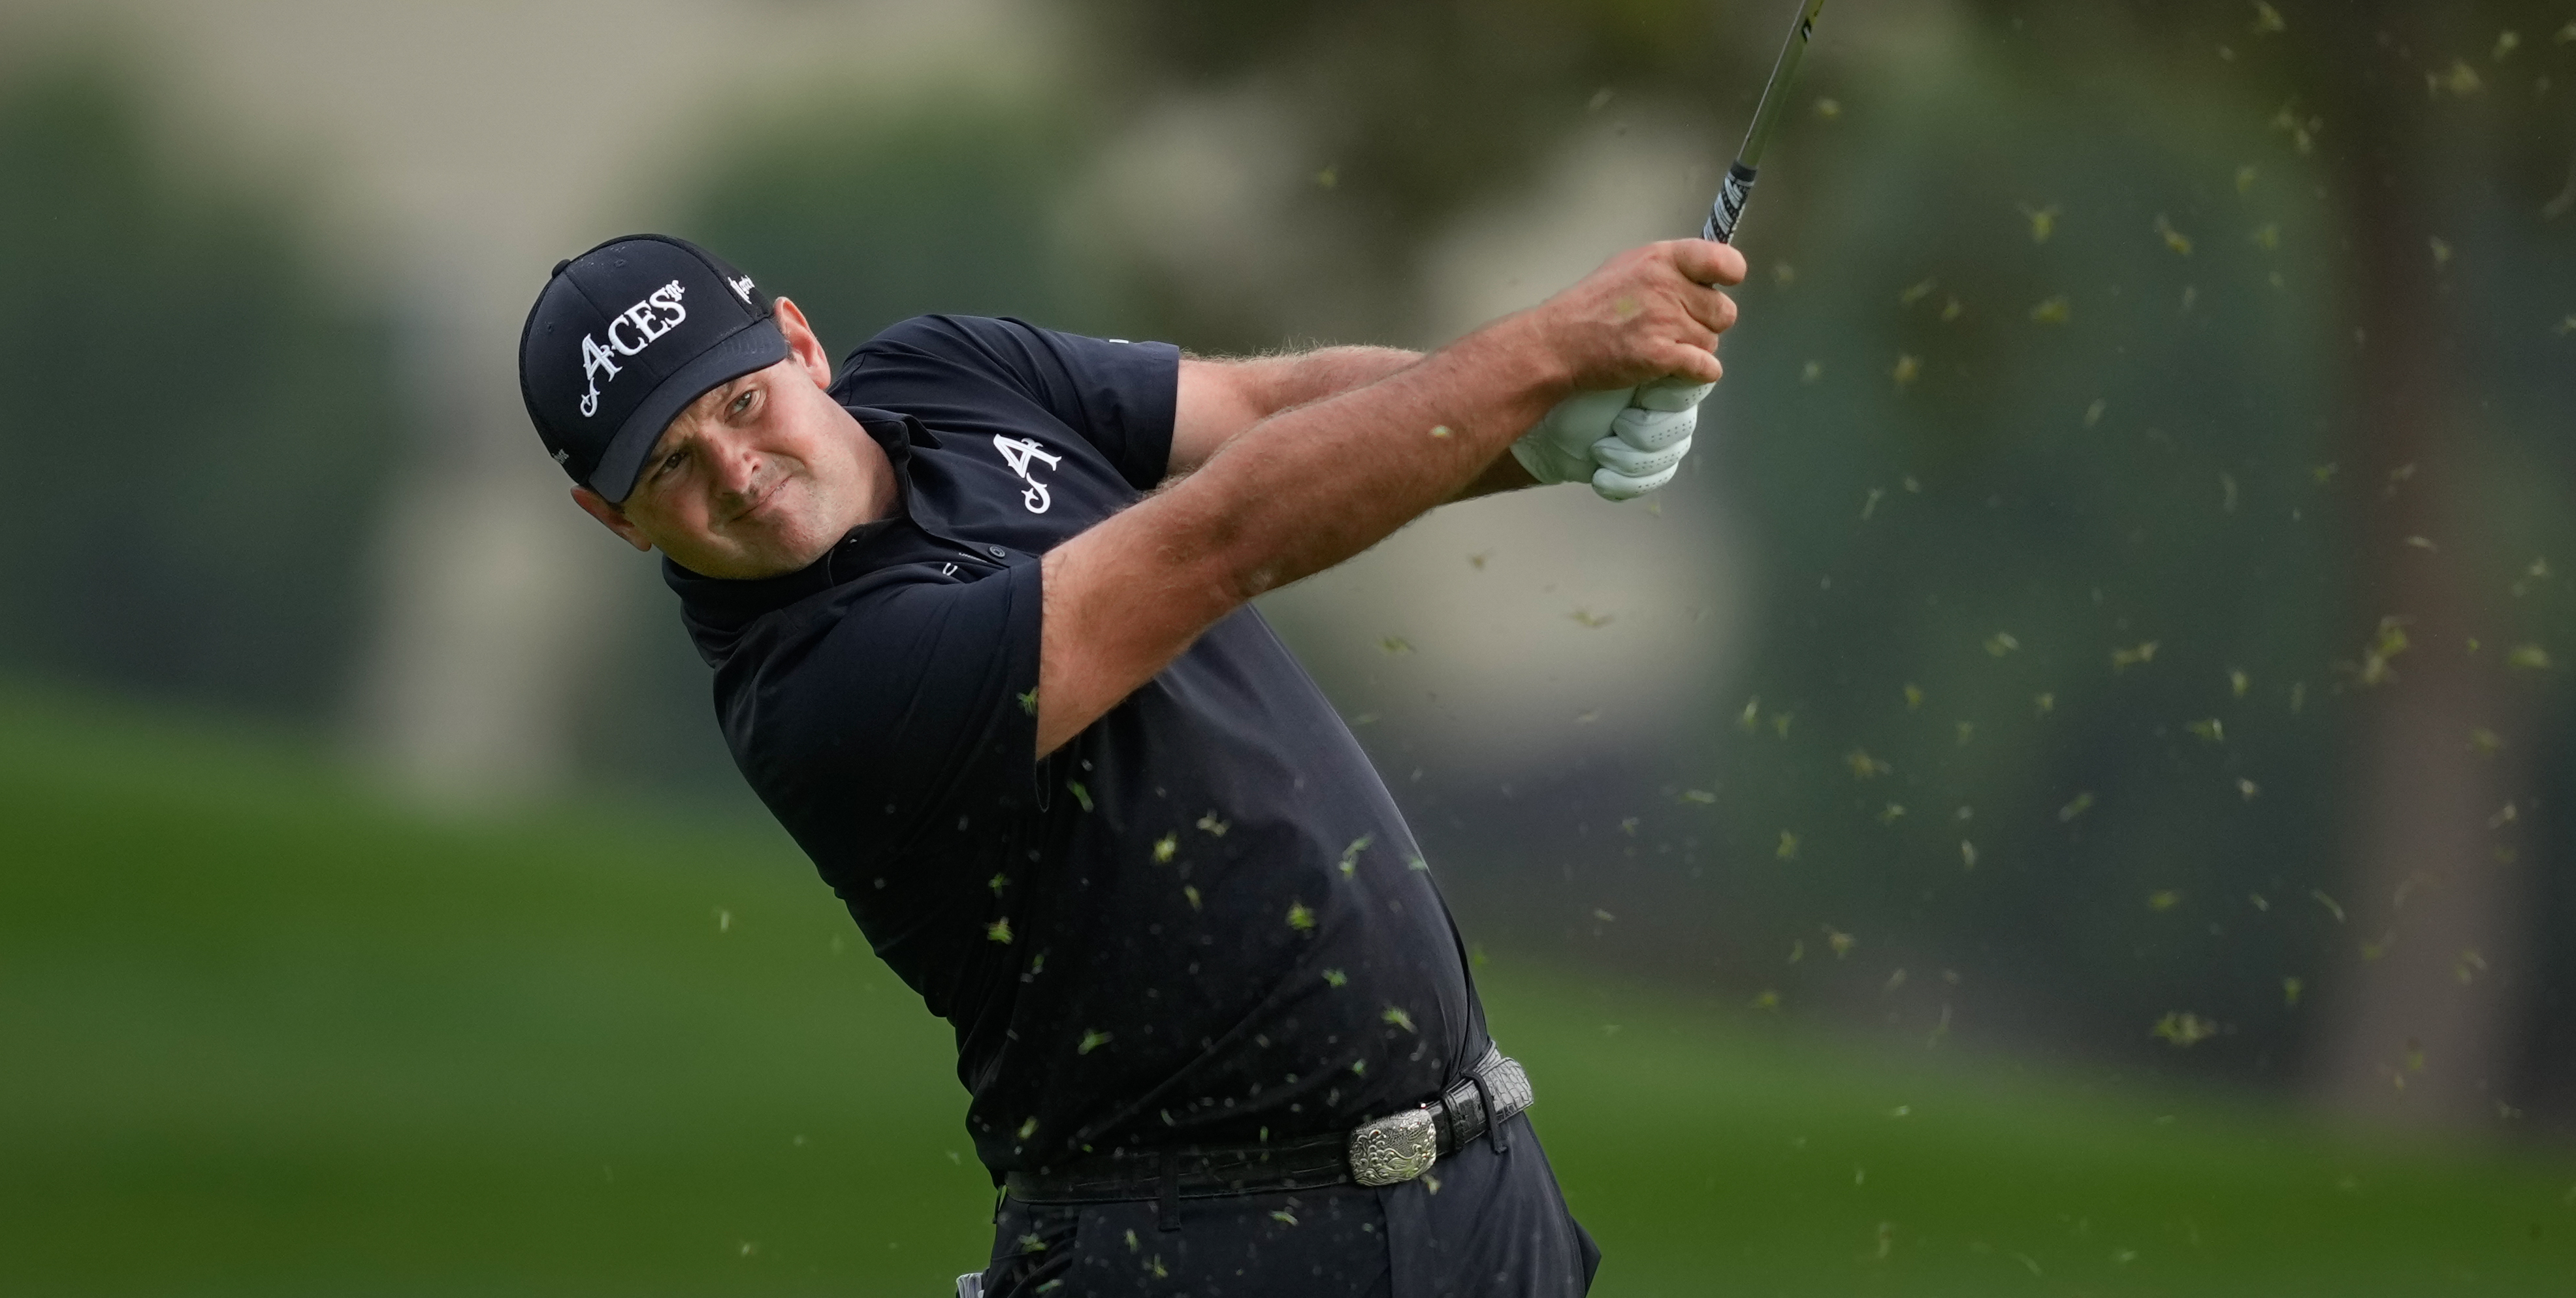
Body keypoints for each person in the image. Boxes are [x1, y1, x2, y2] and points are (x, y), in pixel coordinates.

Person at [515, 229, 1741, 1296]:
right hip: (1197, 1243)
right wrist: (1538, 355)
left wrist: (1538, 435)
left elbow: (1265, 415)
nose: (735, 469)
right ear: (613, 519)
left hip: (1480, 1203)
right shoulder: (815, 692)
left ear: (798, 344)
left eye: (738, 403)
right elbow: (1214, 542)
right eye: (667, 466)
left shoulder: (946, 372)